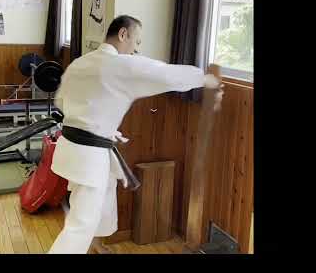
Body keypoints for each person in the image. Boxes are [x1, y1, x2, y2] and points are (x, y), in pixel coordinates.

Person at [48, 15, 223, 254]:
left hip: (73, 147)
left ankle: (96, 244)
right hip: (89, 155)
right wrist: (205, 79)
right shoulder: (120, 65)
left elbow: (63, 101)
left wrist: (103, 127)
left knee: (104, 199)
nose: (136, 49)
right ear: (123, 34)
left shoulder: (79, 63)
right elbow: (164, 74)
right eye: (136, 41)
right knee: (81, 222)